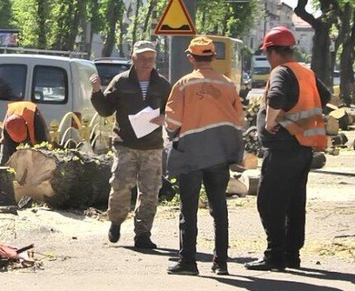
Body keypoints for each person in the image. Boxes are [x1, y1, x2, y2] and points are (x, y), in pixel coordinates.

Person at [245, 26, 330, 272]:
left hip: (282, 149)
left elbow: (277, 98)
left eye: (267, 53)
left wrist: (272, 121)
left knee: (269, 202)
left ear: (272, 52)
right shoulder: (305, 71)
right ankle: (292, 255)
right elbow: (323, 96)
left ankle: (274, 255)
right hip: (302, 148)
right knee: (294, 203)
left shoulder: (282, 72)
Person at [164, 36, 244, 276]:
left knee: (188, 209)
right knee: (219, 208)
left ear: (191, 58)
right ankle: (221, 263)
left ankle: (188, 262)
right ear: (213, 57)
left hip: (191, 155)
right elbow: (238, 120)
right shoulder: (228, 85)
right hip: (218, 154)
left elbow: (173, 121)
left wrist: (172, 134)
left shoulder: (183, 84)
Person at [90, 40, 171, 250]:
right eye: (142, 58)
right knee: (120, 185)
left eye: (150, 59)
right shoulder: (121, 81)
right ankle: (116, 221)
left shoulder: (162, 84)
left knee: (150, 191)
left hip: (152, 145)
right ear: (133, 59)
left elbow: (173, 109)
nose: (147, 63)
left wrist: (164, 117)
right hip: (125, 143)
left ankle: (143, 233)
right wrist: (97, 92)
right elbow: (106, 110)